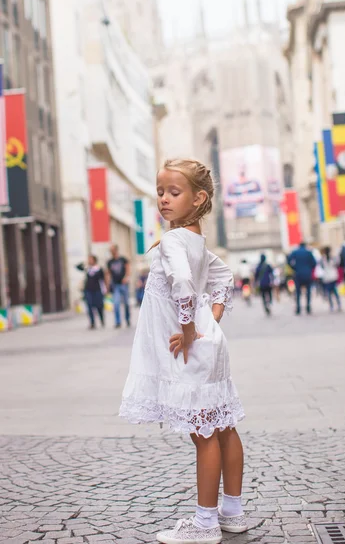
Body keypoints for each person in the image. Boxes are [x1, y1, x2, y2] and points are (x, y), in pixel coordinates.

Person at [119, 159, 247, 544]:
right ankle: (232, 512)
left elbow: (184, 288)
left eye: (173, 192)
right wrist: (212, 321)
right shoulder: (195, 240)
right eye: (160, 191)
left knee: (203, 431)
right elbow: (224, 278)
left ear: (199, 198)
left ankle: (206, 524)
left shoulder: (175, 241)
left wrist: (190, 328)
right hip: (210, 344)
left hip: (192, 345)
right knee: (222, 425)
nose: (163, 199)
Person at [76, 255, 106, 329]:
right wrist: (85, 263)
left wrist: (105, 289)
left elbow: (103, 280)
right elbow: (78, 267)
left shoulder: (99, 269)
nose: (90, 261)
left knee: (99, 306)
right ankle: (92, 322)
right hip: (88, 290)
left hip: (97, 290)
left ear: (95, 260)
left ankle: (102, 319)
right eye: (89, 259)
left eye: (91, 259)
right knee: (89, 306)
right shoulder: (87, 269)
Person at [288, 242, 317, 315]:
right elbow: (314, 263)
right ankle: (308, 307)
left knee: (298, 292)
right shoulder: (308, 252)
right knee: (308, 291)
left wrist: (294, 268)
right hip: (307, 274)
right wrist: (309, 268)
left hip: (298, 274)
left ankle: (298, 308)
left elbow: (288, 260)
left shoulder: (295, 252)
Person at [107, 245, 131, 328]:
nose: (111, 252)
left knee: (126, 303)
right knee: (116, 304)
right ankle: (118, 322)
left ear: (116, 250)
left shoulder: (123, 259)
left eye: (112, 250)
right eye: (110, 250)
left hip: (123, 284)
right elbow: (108, 274)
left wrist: (126, 277)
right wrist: (107, 285)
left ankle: (127, 319)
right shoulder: (110, 262)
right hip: (115, 285)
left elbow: (128, 269)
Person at [321, 247, 341, 312]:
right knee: (335, 291)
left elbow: (322, 267)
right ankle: (338, 304)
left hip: (327, 277)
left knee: (329, 292)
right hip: (333, 276)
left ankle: (331, 306)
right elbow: (338, 264)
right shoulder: (333, 258)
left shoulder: (323, 259)